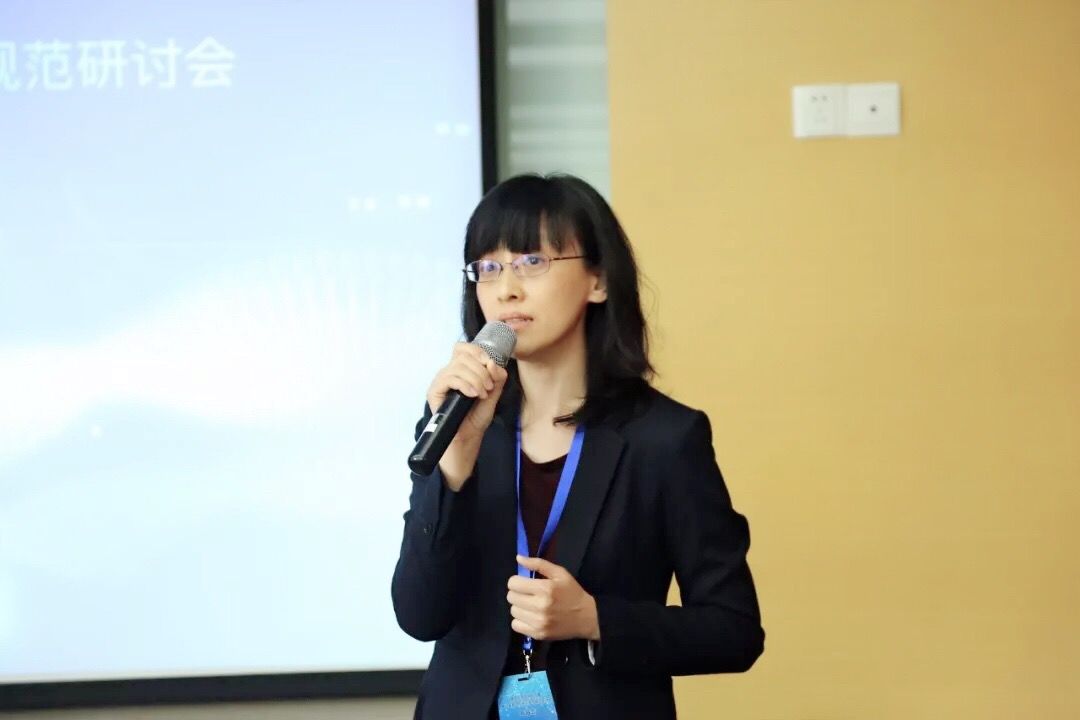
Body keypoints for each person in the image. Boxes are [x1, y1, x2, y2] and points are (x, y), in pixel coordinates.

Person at [392, 174, 763, 719]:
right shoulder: (459, 423)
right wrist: (454, 467)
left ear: (599, 280)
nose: (506, 289)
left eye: (532, 261)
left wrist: (595, 620)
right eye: (488, 268)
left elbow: (734, 629)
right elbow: (419, 614)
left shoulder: (664, 438)